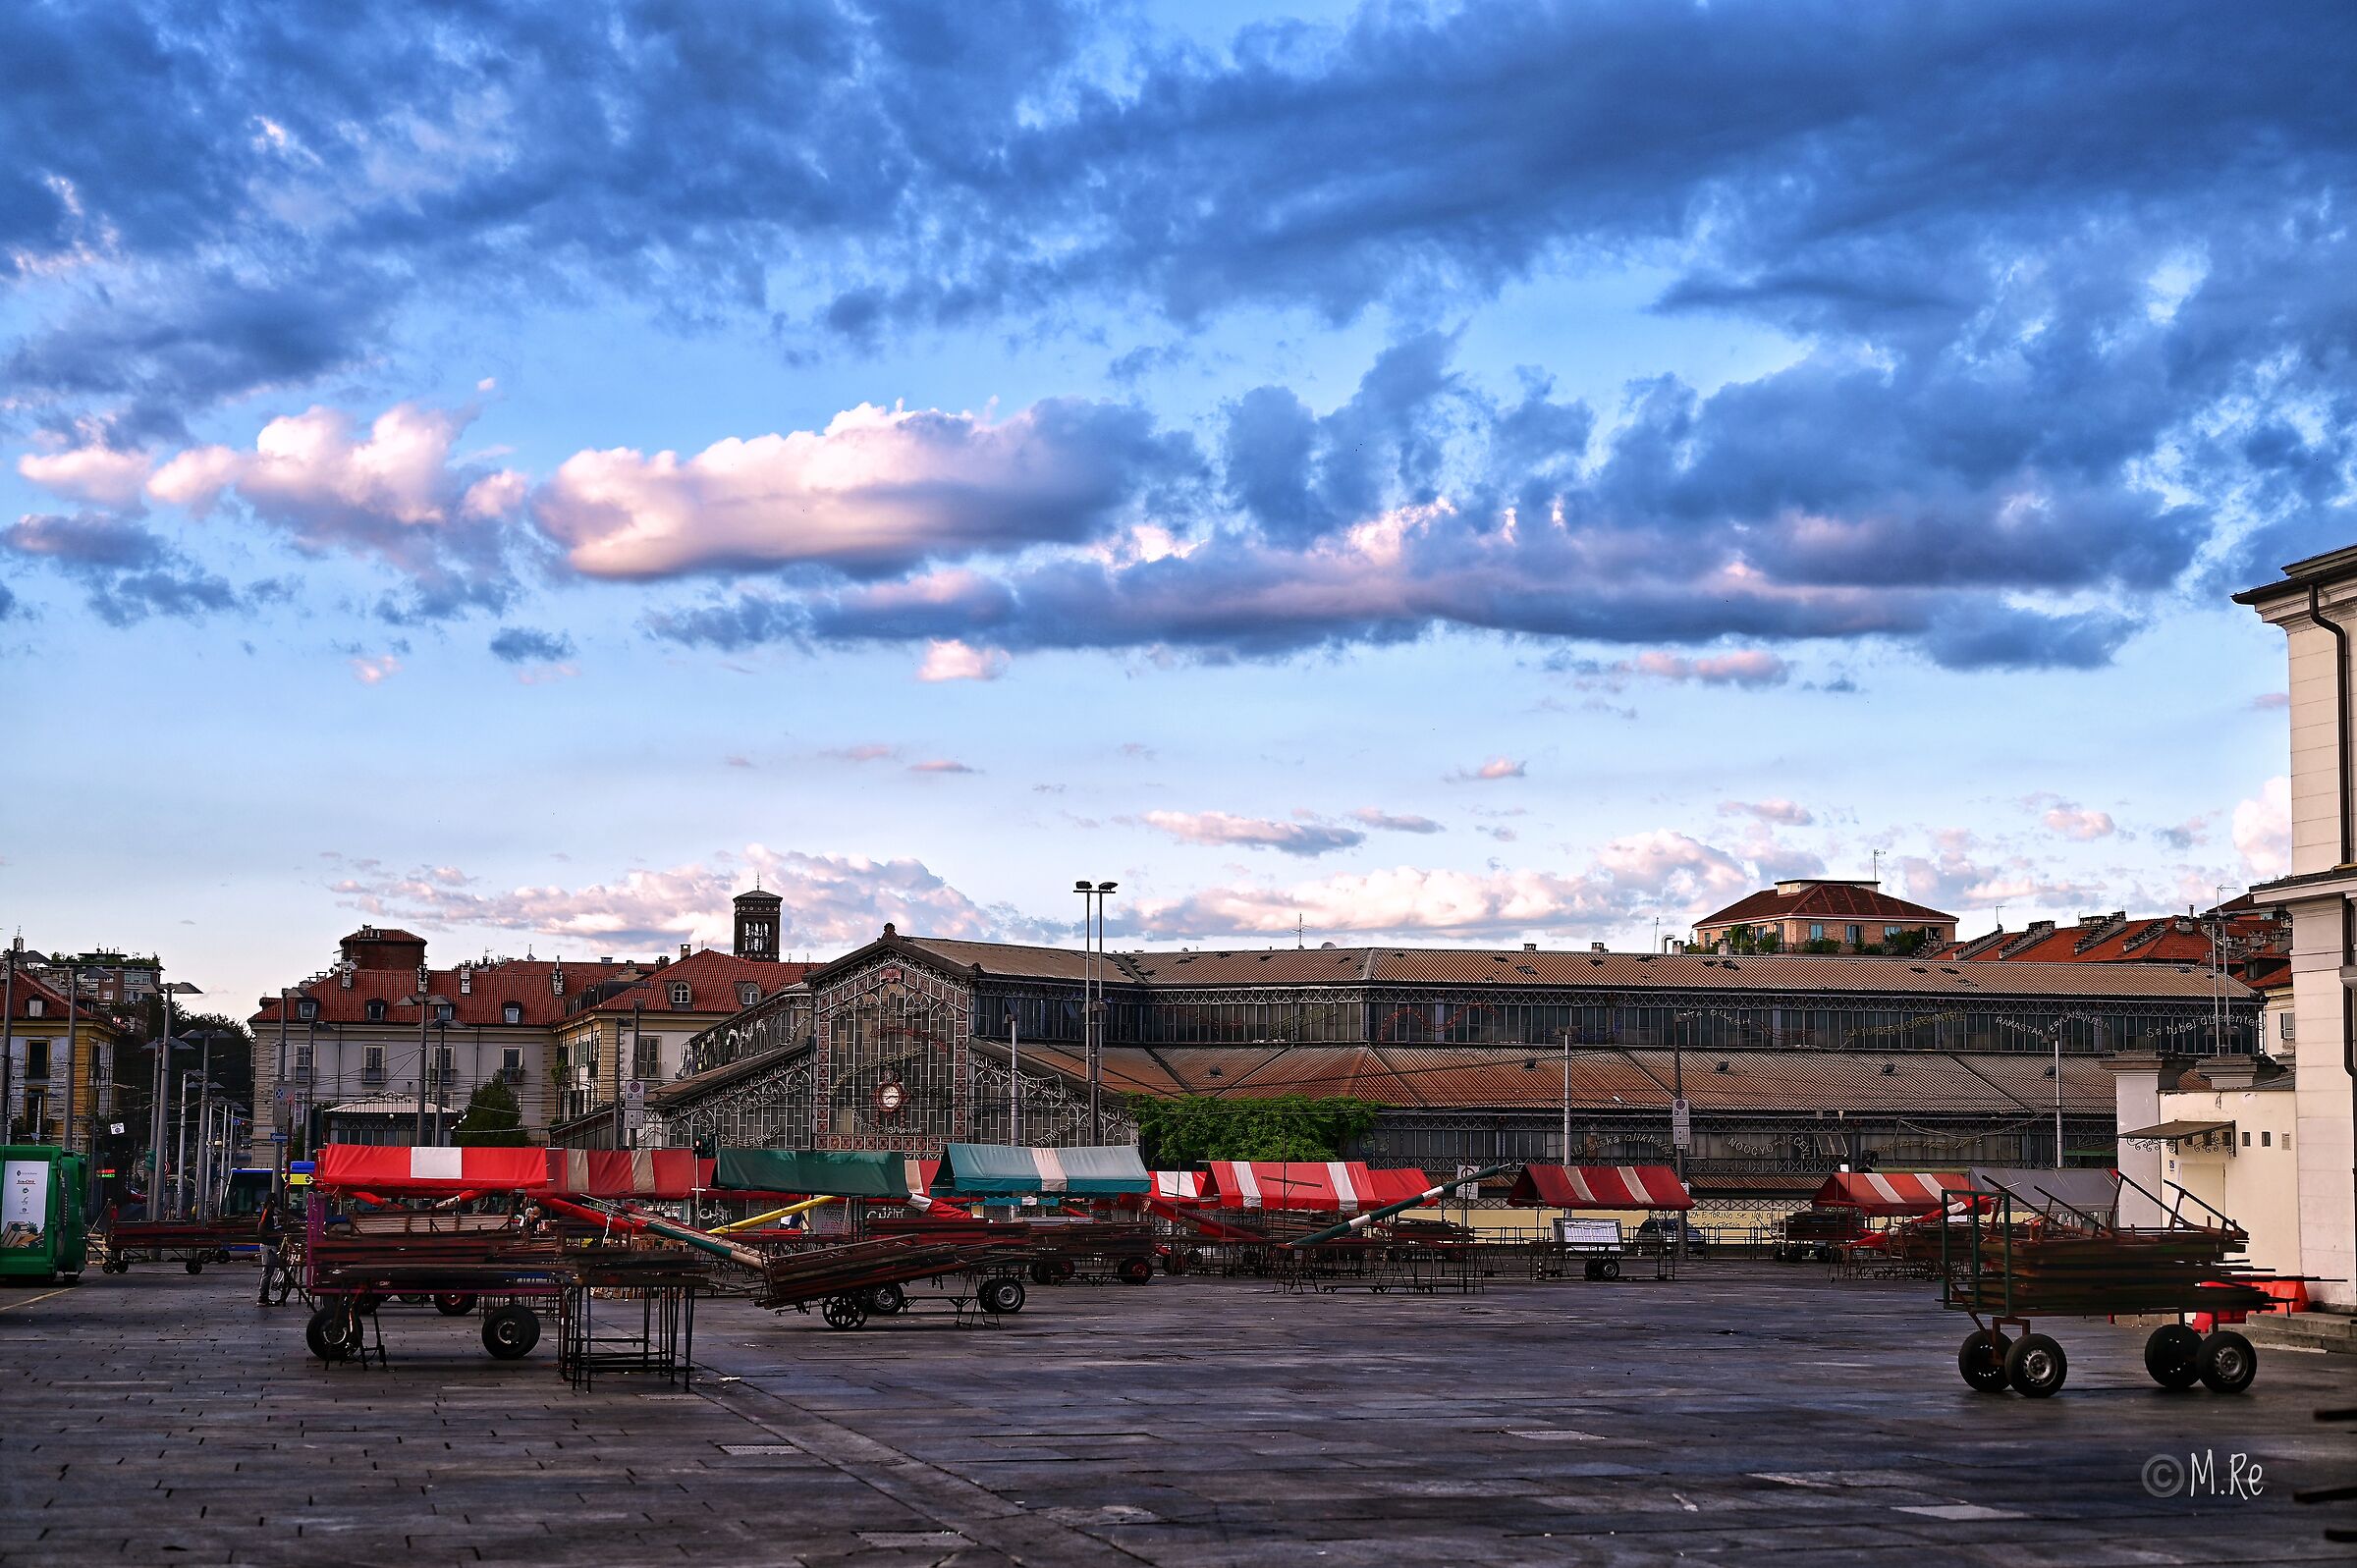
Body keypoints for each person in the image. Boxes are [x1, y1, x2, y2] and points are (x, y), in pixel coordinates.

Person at [255, 1195, 287, 1307]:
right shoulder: (266, 1213)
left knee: (270, 1271)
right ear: (272, 1201)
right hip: (267, 1245)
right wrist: (273, 1234)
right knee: (267, 1271)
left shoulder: (274, 1213)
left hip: (272, 1245)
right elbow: (260, 1229)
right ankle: (262, 1298)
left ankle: (265, 1296)